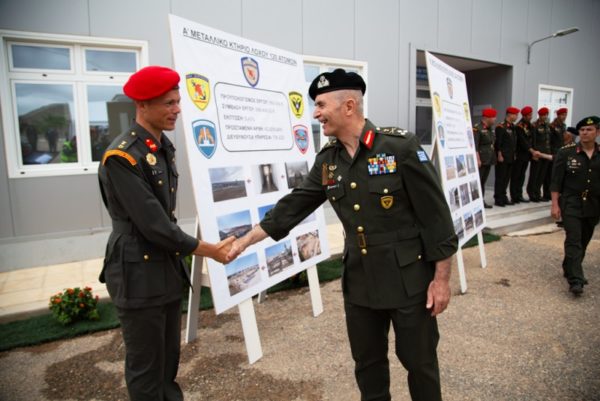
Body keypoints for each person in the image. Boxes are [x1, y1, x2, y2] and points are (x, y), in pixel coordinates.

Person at [227, 68, 458, 401]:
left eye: (321, 105)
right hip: (360, 281)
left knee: (419, 363)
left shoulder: (399, 147)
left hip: (408, 280)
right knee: (367, 365)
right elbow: (294, 205)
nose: (315, 113)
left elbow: (436, 217)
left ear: (348, 106)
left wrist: (441, 280)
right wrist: (244, 240)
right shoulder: (328, 160)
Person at [98, 66, 234, 401]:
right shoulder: (122, 156)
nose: (177, 109)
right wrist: (210, 250)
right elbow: (154, 224)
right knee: (147, 367)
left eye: (177, 101)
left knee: (168, 361)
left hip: (164, 266)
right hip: (137, 271)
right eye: (168, 103)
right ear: (142, 105)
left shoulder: (160, 146)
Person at [550, 116, 600, 296]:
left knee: (584, 240)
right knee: (573, 239)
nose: (585, 133)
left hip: (594, 205)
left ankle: (569, 266)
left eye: (589, 130)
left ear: (597, 132)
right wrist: (555, 205)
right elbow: (556, 181)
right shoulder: (566, 152)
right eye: (582, 130)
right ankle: (576, 280)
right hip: (571, 203)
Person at [510, 106, 537, 203]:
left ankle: (519, 194)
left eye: (531, 115)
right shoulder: (519, 126)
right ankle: (514, 196)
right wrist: (532, 150)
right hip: (519, 155)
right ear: (524, 116)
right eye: (529, 115)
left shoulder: (530, 126)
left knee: (522, 176)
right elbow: (523, 141)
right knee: (516, 176)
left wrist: (533, 151)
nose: (530, 117)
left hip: (527, 155)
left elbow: (532, 139)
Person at [494, 106, 519, 206]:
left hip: (510, 157)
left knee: (506, 178)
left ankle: (504, 196)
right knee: (500, 178)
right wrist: (499, 154)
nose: (517, 116)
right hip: (503, 157)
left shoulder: (512, 127)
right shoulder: (501, 127)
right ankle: (498, 198)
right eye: (515, 114)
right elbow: (498, 143)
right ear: (510, 115)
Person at [474, 108, 497, 208]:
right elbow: (475, 146)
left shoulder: (490, 129)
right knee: (478, 181)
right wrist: (477, 159)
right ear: (487, 118)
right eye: (493, 117)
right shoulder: (477, 128)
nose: (495, 119)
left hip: (488, 159)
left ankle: (481, 201)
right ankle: (477, 202)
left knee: (483, 181)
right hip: (481, 160)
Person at [527, 107, 552, 202]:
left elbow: (549, 140)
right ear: (539, 115)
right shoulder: (534, 125)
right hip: (538, 153)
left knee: (542, 176)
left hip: (546, 153)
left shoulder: (547, 125)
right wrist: (534, 153)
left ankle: (537, 193)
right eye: (543, 115)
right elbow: (532, 140)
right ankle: (532, 194)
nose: (545, 117)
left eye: (546, 115)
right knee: (534, 175)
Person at [545, 108, 568, 200]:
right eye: (562, 115)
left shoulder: (563, 126)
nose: (564, 117)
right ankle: (547, 193)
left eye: (565, 115)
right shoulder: (552, 126)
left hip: (561, 152)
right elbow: (548, 140)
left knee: (557, 174)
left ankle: (554, 193)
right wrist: (550, 152)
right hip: (553, 152)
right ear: (558, 115)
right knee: (549, 174)